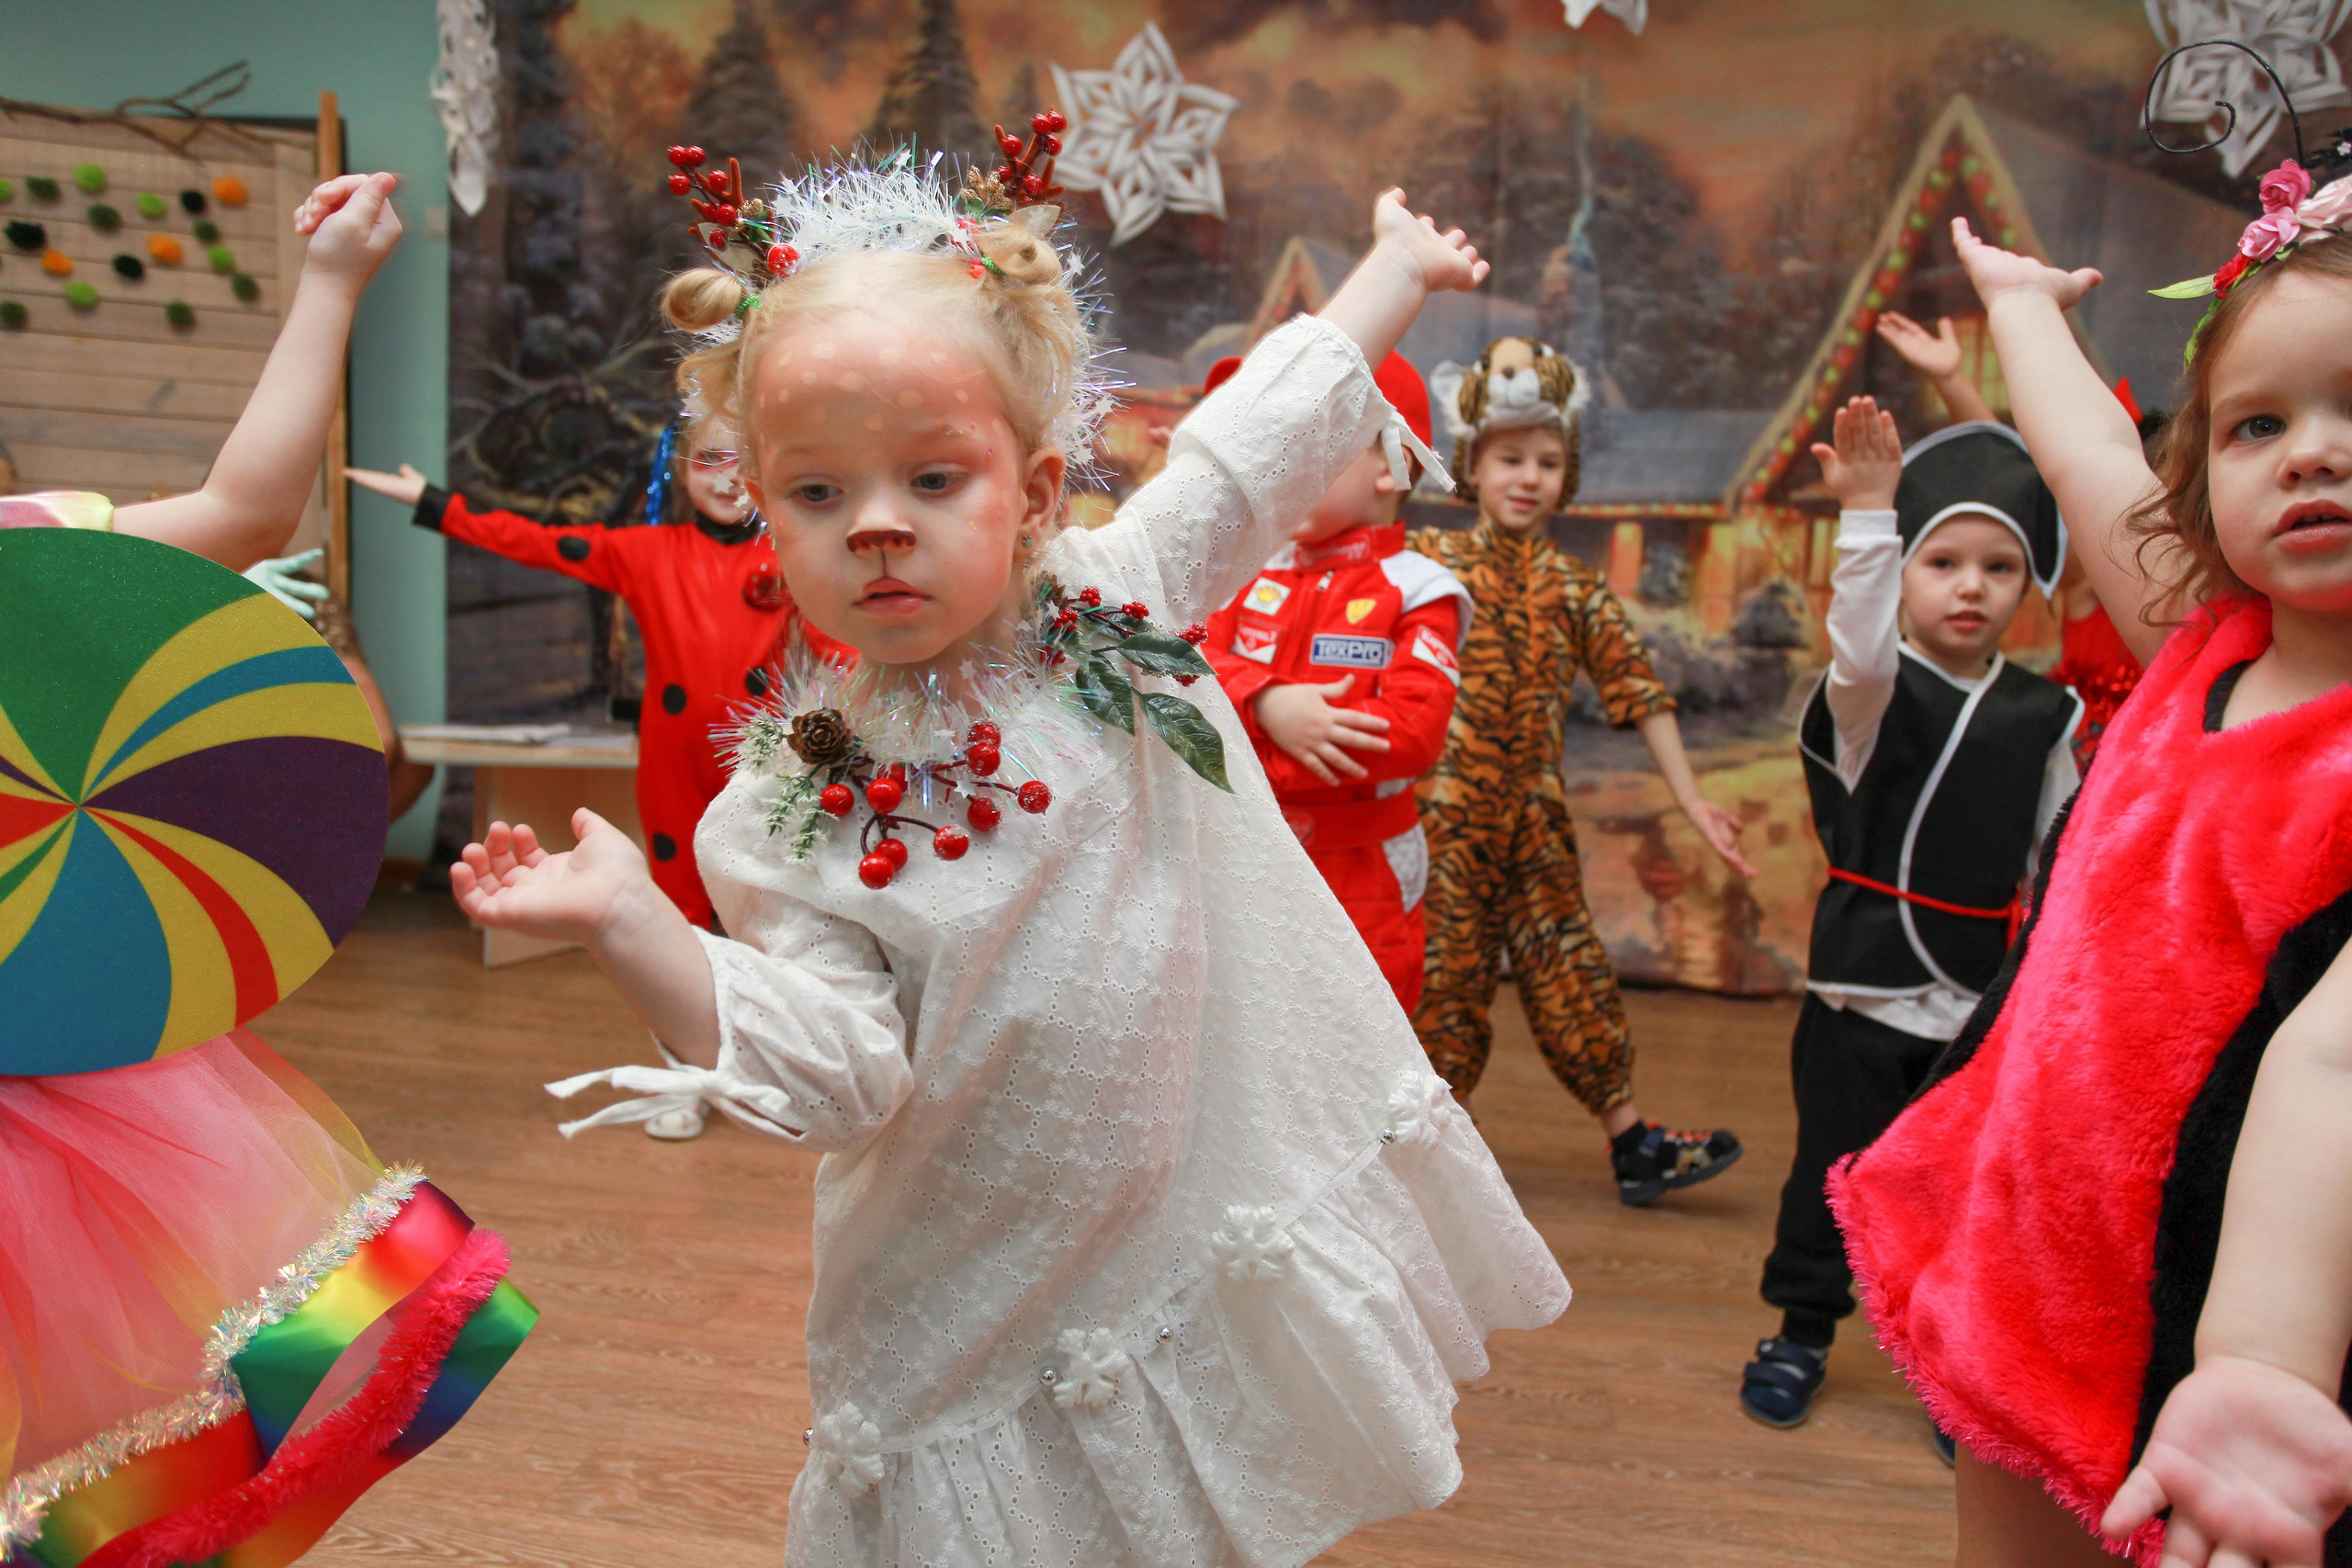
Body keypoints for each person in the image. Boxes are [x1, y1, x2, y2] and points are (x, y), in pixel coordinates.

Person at [443, 139, 1571, 1565]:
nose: (876, 525)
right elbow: (842, 1077)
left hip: (1166, 1208)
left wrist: (1394, 271)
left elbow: (1249, 451)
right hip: (958, 1284)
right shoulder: (791, 799)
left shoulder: (1115, 596)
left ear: (1035, 493)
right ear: (764, 516)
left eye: (933, 476)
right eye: (816, 493)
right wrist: (636, 925)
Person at [0, 172, 531, 1568]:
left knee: (75, 1457)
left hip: (41, 1088)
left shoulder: (25, 549)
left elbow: (243, 510)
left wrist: (332, 280)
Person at [1832, 186, 2352, 1566]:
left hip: (2232, 1308)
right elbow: (2086, 457)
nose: (2313, 451)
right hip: (2036, 1245)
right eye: (2258, 423)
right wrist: (2017, 306)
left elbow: (2337, 1065)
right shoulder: (2199, 638)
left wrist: (2263, 1359)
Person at [352, 415, 849, 1142]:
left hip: (762, 766)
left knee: (768, 916)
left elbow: (841, 646)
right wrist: (436, 504)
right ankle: (686, 1078)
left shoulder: (788, 558)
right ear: (681, 468)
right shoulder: (644, 552)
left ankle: (770, 1070)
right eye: (707, 459)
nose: (722, 477)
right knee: (676, 918)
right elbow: (537, 541)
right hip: (671, 763)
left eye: (739, 461)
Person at [1740, 396, 2078, 1445]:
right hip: (1859, 989)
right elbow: (1860, 651)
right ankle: (1800, 1331)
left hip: (1976, 1001)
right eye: (1942, 562)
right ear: (1905, 572)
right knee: (1832, 1175)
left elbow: (2055, 856)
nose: (1971, 585)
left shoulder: (2048, 714)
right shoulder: (1870, 693)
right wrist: (1868, 516)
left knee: (1952, 1193)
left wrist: (2041, 989)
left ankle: (1941, 1362)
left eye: (1998, 566)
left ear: (2027, 583)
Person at [1408, 334, 1758, 1206]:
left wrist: (1693, 799)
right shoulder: (1431, 563)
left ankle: (1633, 1143)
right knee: (1444, 984)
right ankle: (1425, 1157)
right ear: (1472, 465)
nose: (1528, 477)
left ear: (1568, 474)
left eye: (1548, 461)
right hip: (1444, 822)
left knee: (1571, 970)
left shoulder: (1577, 587)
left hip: (1534, 823)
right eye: (1509, 459)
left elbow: (1639, 689)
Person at [1200, 350, 1471, 1010]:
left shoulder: (1421, 591)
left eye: (1310, 447)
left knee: (1362, 1041)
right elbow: (1187, 667)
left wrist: (1250, 743)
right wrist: (1268, 703)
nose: (1279, 469)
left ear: (1392, 462)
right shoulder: (1247, 573)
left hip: (1364, 871)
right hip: (1243, 859)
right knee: (1242, 1032)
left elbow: (1410, 735)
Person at [1876, 309, 2145, 768]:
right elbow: (2014, 482)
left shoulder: (2211, 591)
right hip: (2071, 771)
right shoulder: (2094, 575)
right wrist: (1952, 380)